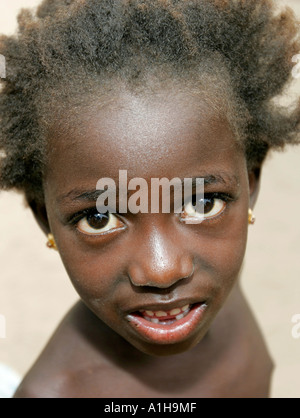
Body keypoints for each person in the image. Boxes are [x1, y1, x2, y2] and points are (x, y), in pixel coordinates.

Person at [0, 0, 299, 398]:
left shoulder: (214, 288)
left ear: (250, 185)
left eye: (201, 204)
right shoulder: (55, 393)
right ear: (45, 219)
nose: (163, 271)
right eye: (100, 217)